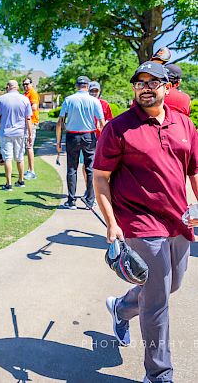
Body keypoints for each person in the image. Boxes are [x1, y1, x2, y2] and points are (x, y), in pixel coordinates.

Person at [93, 61, 198, 383]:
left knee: (173, 284)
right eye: (140, 82)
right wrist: (112, 222)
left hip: (178, 219)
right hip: (139, 221)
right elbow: (100, 178)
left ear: (168, 87)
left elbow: (194, 170)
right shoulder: (119, 128)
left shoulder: (185, 125)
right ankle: (159, 374)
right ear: (135, 88)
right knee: (157, 302)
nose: (146, 87)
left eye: (154, 82)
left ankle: (122, 308)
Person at [56, 76, 105, 209]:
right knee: (90, 169)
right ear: (87, 86)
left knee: (72, 168)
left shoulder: (69, 99)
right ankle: (90, 199)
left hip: (73, 136)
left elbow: (60, 121)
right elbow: (102, 123)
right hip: (89, 136)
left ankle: (71, 200)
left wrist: (58, 142)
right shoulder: (94, 101)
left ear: (77, 86)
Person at [0, 80, 33, 191]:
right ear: (17, 87)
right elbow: (28, 119)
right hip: (20, 132)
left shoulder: (1, 99)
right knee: (20, 157)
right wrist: (30, 134)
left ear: (8, 87)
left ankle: (9, 183)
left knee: (7, 158)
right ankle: (21, 180)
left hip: (6, 132)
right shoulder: (25, 99)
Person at [22, 77, 40, 180]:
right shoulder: (25, 94)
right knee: (27, 146)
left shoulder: (32, 93)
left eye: (27, 84)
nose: (25, 86)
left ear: (31, 84)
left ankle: (32, 171)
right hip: (26, 122)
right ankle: (29, 169)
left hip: (31, 122)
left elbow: (34, 107)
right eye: (23, 84)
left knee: (29, 146)